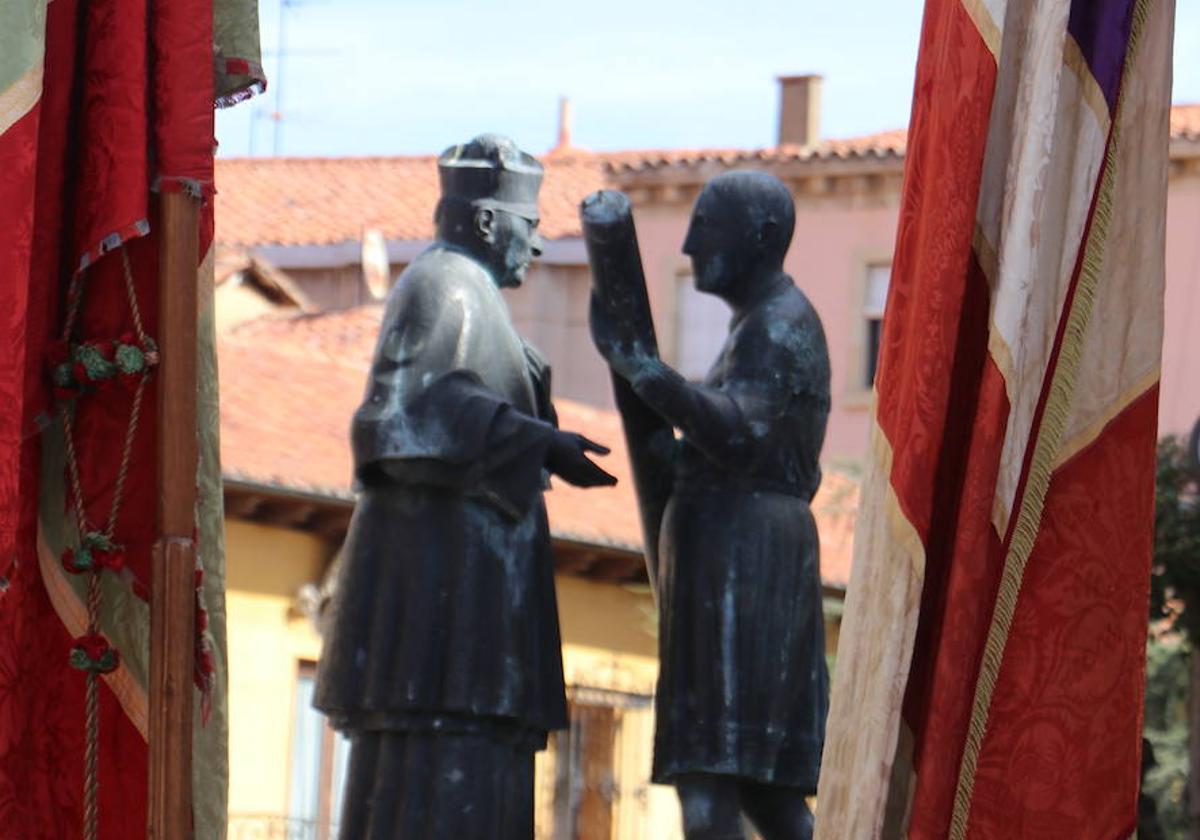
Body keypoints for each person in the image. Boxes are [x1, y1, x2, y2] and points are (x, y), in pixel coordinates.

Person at [314, 134, 616, 840]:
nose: (536, 248)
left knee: (475, 761)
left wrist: (538, 436)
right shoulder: (444, 284)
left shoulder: (468, 290)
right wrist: (541, 440)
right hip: (444, 600)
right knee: (444, 769)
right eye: (530, 227)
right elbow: (408, 416)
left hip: (472, 593)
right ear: (487, 220)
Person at [590, 171, 830, 840]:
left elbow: (742, 432)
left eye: (707, 226)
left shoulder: (780, 326)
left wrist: (647, 373)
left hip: (743, 564)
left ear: (756, 238)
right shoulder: (760, 326)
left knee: (711, 778)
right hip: (739, 554)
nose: (691, 244)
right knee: (761, 791)